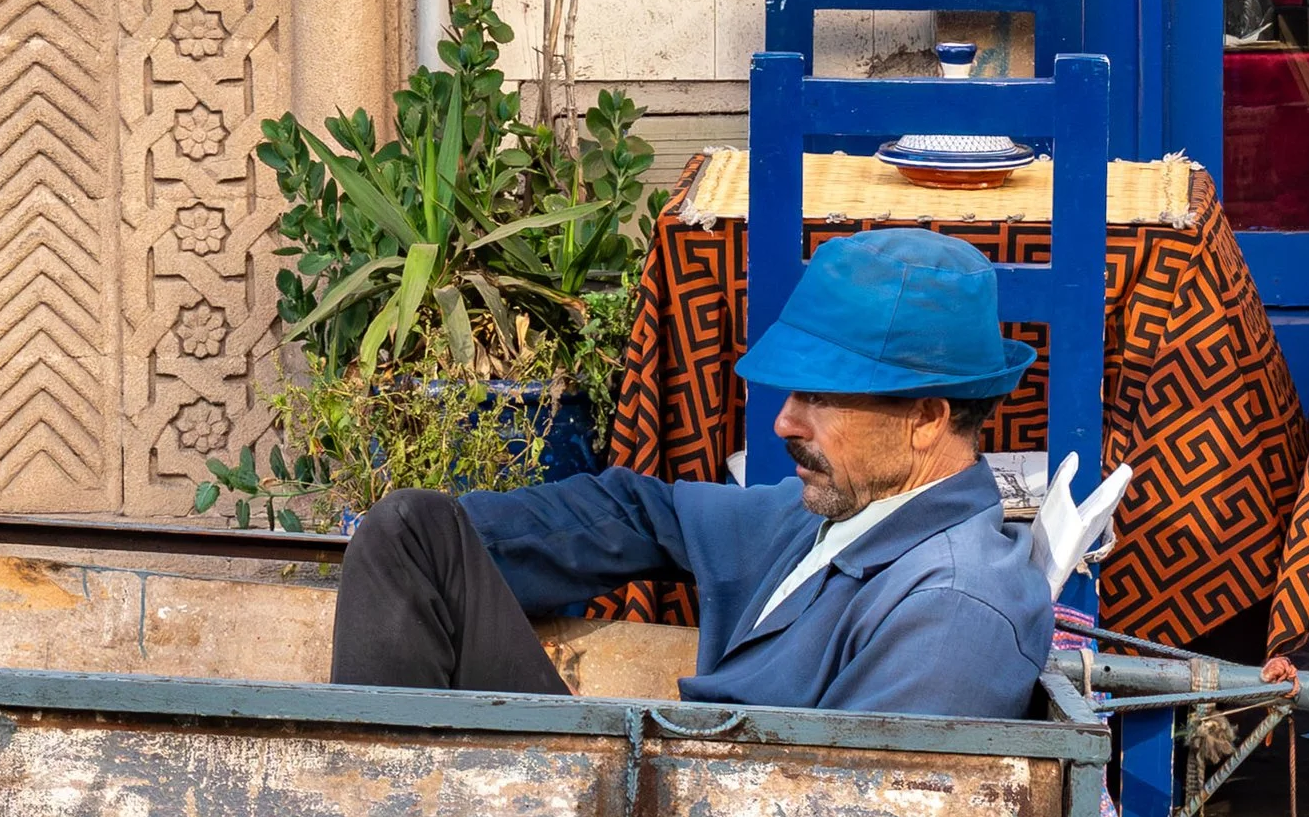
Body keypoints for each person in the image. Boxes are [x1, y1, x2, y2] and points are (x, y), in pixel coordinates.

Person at [330, 227, 1053, 721]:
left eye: (821, 398)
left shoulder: (955, 606)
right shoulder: (831, 516)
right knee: (413, 535)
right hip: (649, 803)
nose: (784, 423)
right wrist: (452, 570)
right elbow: (644, 513)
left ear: (927, 417)